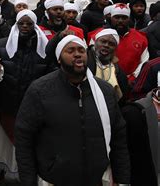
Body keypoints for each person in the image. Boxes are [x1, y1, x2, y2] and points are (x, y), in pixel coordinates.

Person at [15, 35, 130, 186]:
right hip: (54, 179)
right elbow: (24, 139)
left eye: (81, 50)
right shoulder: (40, 91)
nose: (77, 54)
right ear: (59, 59)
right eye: (70, 50)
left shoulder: (105, 91)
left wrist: (122, 180)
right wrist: (28, 181)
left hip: (97, 179)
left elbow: (118, 139)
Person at [0, 10, 51, 184]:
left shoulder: (44, 47)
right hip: (8, 101)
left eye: (29, 23)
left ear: (34, 25)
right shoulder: (2, 45)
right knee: (3, 142)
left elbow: (50, 74)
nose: (25, 27)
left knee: (29, 144)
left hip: (33, 105)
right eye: (21, 23)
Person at [88, 29, 129, 101]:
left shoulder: (119, 72)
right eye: (103, 41)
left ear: (115, 48)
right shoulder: (85, 59)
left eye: (111, 44)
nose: (106, 45)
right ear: (95, 42)